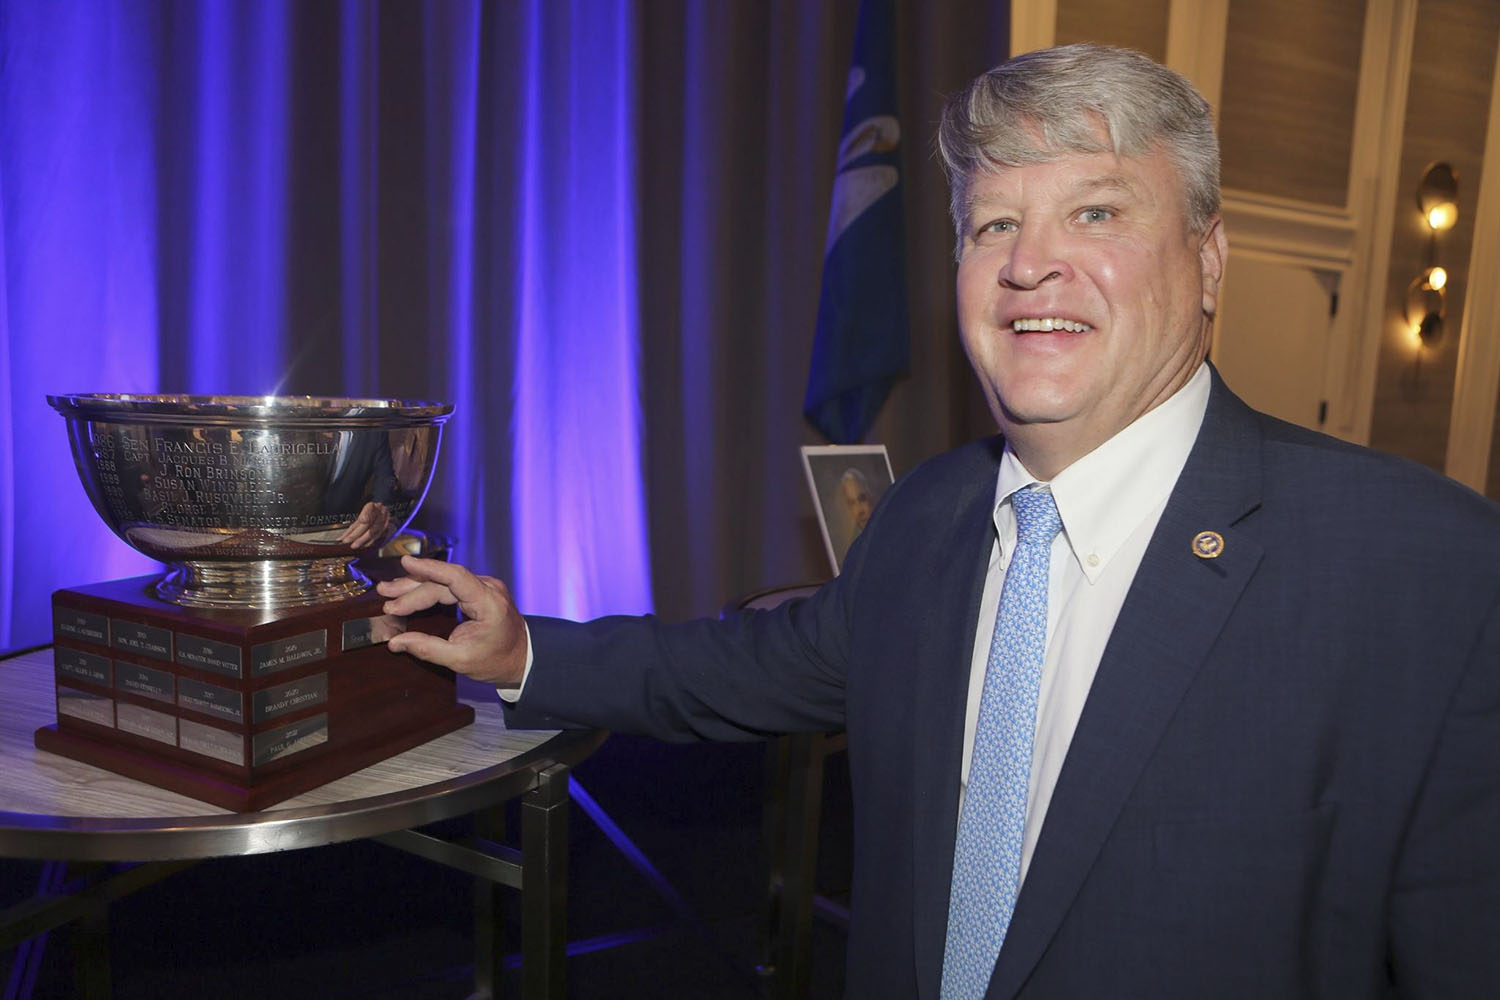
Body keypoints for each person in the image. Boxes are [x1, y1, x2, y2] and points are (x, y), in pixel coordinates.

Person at [378, 43, 1500, 998]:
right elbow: (734, 669)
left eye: (1096, 210)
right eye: (991, 223)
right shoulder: (928, 514)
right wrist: (524, 648)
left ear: (1209, 259)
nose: (1030, 263)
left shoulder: (1425, 573)